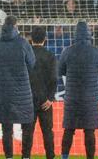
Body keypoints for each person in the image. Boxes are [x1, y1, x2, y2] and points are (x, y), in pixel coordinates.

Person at [58, 21, 98, 159]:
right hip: (90, 98)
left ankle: (64, 157)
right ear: (89, 34)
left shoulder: (67, 51)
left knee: (68, 129)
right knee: (89, 130)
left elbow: (60, 71)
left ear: (75, 34)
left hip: (72, 96)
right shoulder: (97, 51)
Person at [0, 15, 35, 159]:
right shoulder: (22, 43)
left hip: (1, 91)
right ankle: (25, 157)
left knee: (6, 128)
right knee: (26, 125)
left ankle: (9, 157)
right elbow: (32, 63)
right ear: (16, 26)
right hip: (22, 91)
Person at [21, 26, 57, 159]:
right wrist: (50, 98)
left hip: (28, 100)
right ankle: (50, 156)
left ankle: (25, 157)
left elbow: (21, 77)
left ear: (30, 39)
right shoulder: (50, 56)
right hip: (44, 101)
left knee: (27, 132)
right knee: (47, 132)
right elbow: (54, 78)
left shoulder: (25, 56)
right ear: (45, 39)